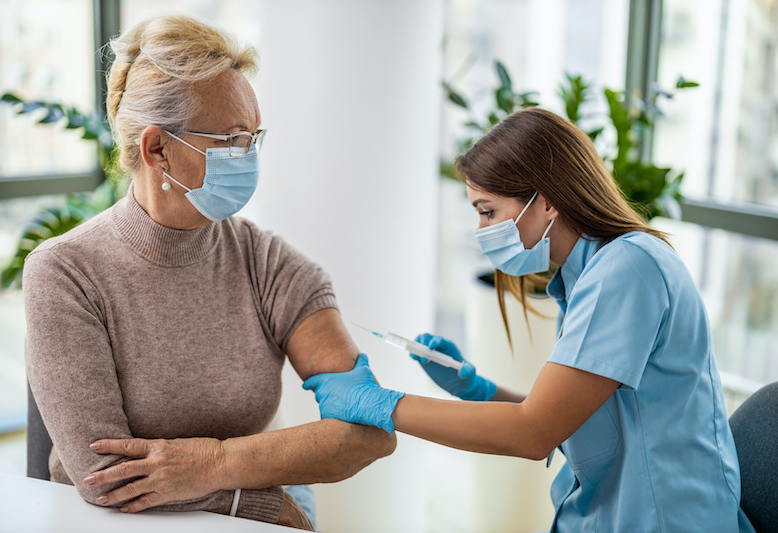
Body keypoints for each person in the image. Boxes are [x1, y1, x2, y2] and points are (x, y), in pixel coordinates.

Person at [301, 108, 756, 532]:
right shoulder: (589, 274)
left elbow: (535, 432)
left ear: (548, 201)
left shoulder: (626, 270)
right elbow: (572, 414)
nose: (482, 231)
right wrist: (480, 392)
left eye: (488, 211)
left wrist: (383, 404)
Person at [23, 14, 395, 530]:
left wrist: (213, 465)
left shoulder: (272, 265)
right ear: (158, 150)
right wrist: (257, 502)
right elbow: (104, 475)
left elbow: (370, 429)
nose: (250, 157)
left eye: (254, 138)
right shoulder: (65, 272)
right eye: (232, 140)